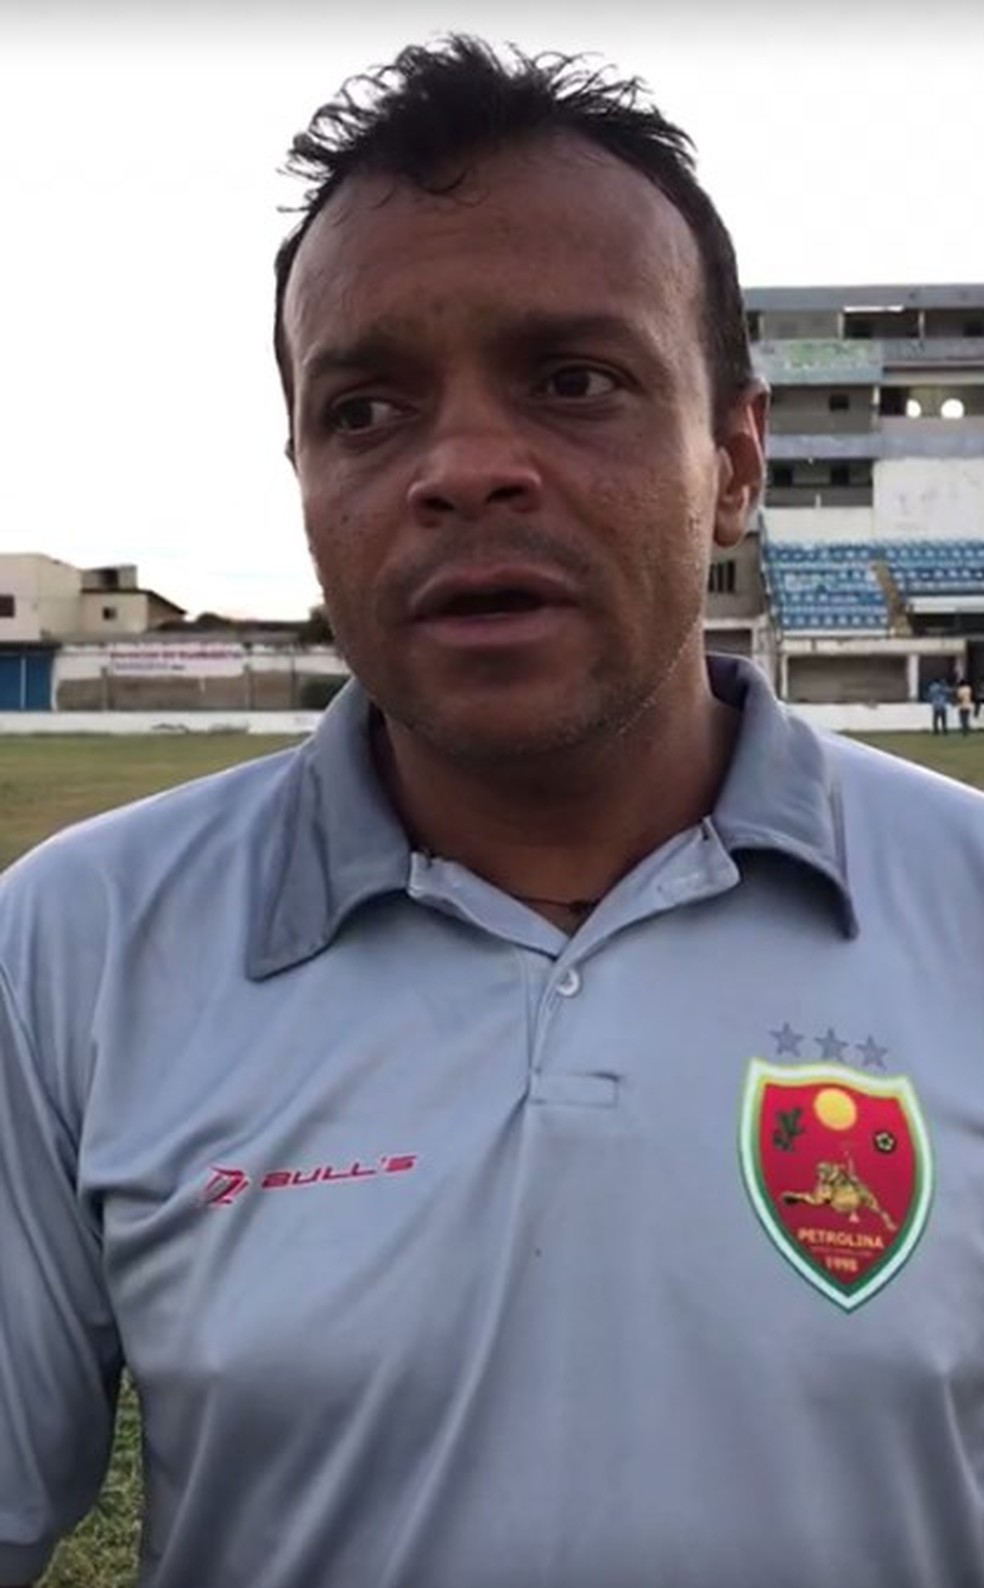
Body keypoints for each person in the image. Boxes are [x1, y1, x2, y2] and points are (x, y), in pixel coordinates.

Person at [3, 37, 984, 1588]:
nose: (462, 469)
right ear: (306, 478)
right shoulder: (72, 944)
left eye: (574, 380)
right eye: (368, 408)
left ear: (733, 462)